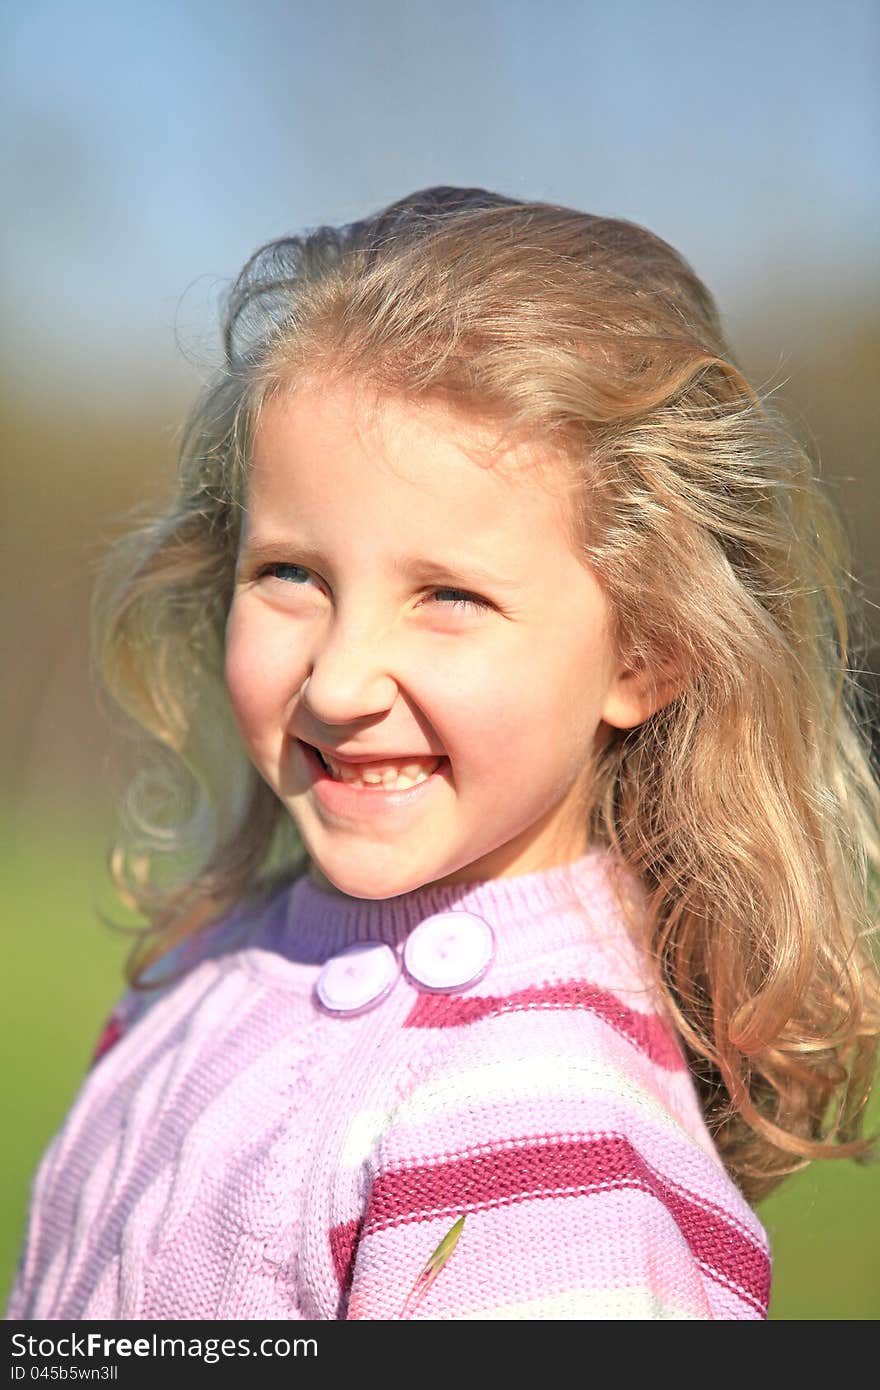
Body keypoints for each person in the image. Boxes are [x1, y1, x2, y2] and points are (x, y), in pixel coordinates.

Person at [8, 187, 880, 1321]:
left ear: (645, 653)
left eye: (449, 596)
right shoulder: (222, 962)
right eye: (290, 574)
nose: (337, 680)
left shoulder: (545, 1145)